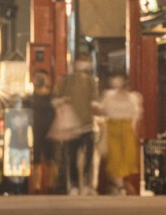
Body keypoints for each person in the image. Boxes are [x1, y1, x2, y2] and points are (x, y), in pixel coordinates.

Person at [54, 56, 96, 196]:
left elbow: (94, 100)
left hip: (87, 124)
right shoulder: (67, 81)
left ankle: (83, 183)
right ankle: (74, 184)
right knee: (72, 156)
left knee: (87, 156)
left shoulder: (91, 81)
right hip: (72, 125)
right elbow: (57, 99)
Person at [98, 73, 143, 195]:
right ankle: (120, 185)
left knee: (127, 157)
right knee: (115, 156)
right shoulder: (108, 96)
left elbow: (136, 114)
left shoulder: (133, 97)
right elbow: (103, 110)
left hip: (127, 128)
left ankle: (120, 183)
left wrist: (134, 129)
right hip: (112, 127)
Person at [29, 74, 58, 194]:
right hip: (47, 130)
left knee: (40, 160)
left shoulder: (33, 98)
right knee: (49, 160)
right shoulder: (51, 98)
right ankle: (49, 186)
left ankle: (38, 186)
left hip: (40, 130)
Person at [2, 96, 32, 195]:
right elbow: (6, 129)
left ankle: (21, 186)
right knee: (14, 166)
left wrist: (30, 143)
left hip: (24, 144)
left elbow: (30, 129)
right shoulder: (9, 114)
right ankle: (14, 186)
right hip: (13, 144)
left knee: (24, 166)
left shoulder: (27, 114)